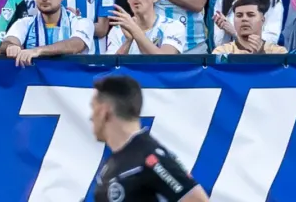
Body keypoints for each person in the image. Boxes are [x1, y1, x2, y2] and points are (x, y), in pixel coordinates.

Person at [88, 74, 211, 202]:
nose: (90, 117)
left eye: (93, 107)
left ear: (104, 111)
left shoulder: (151, 158)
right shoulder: (111, 164)